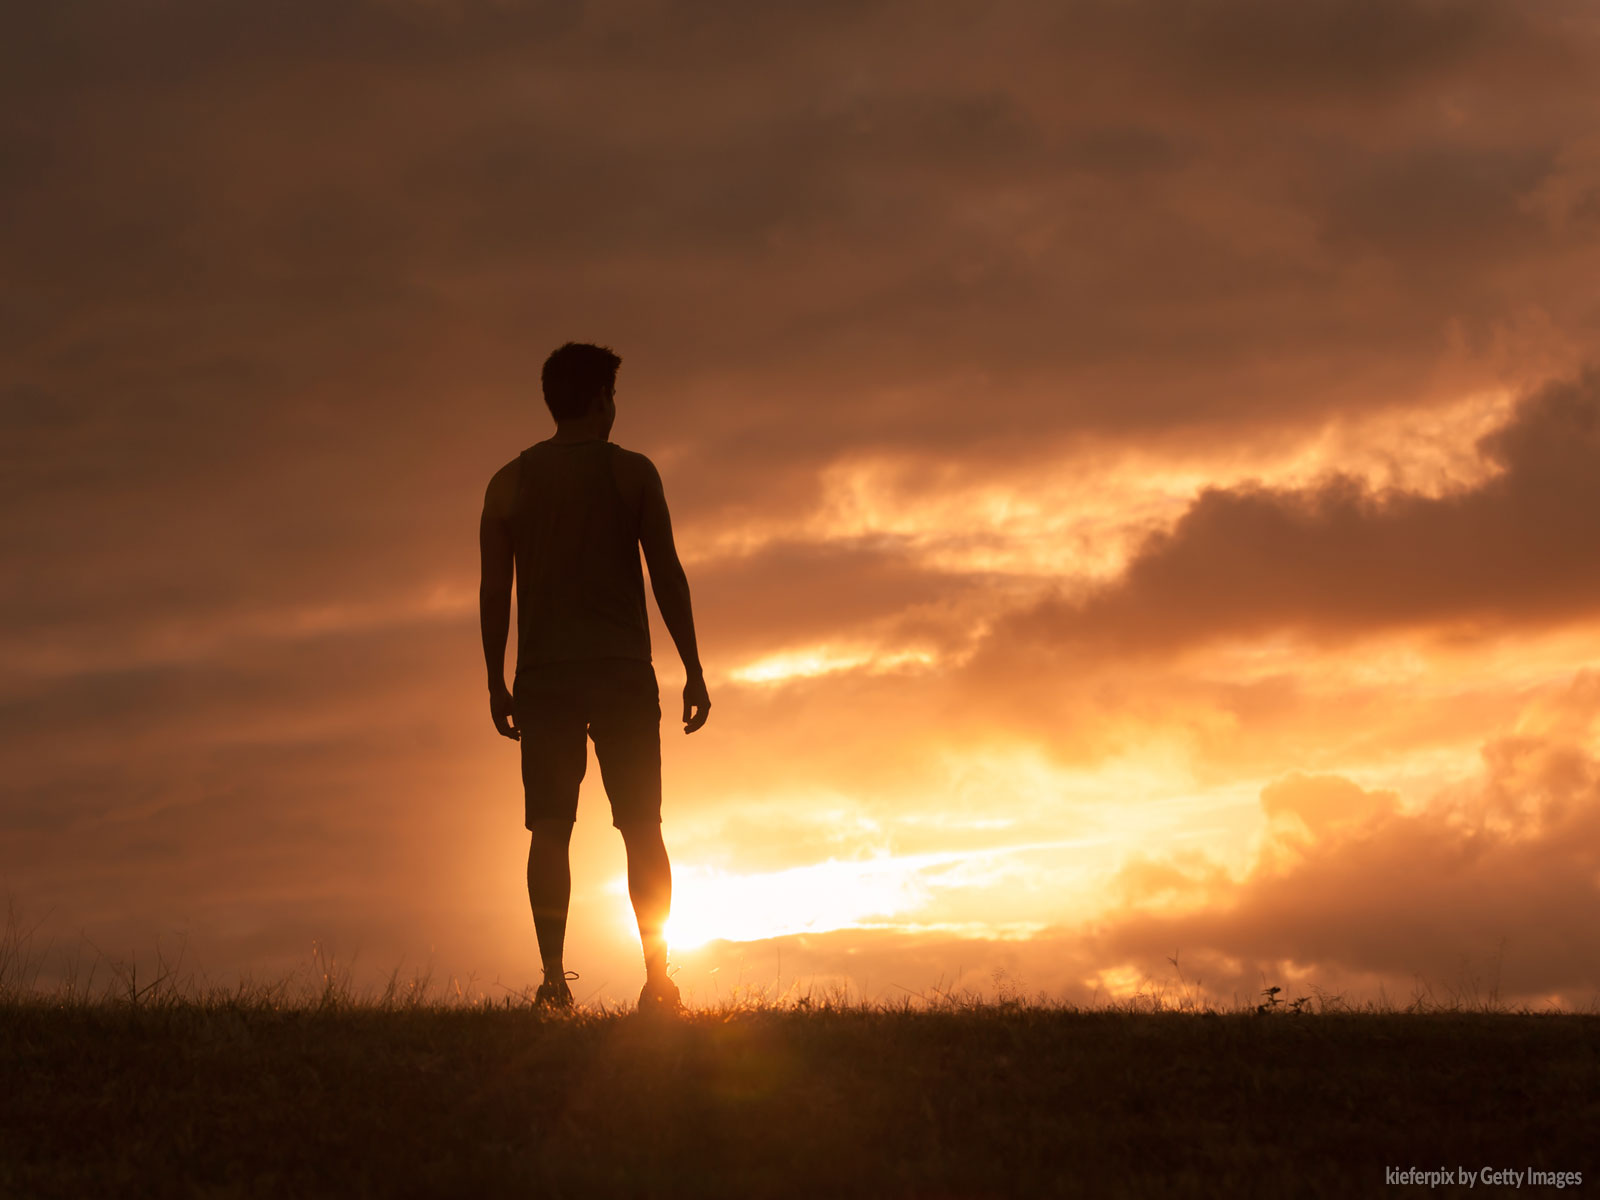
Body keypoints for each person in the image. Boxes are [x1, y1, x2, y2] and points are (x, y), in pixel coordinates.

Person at [479, 341, 710, 1014]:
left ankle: (553, 979)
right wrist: (693, 666)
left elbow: (495, 591)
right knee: (642, 825)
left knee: (549, 828)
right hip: (621, 675)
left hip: (544, 676)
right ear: (602, 400)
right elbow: (666, 573)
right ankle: (658, 978)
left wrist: (496, 679)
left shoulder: (509, 482)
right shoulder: (633, 474)